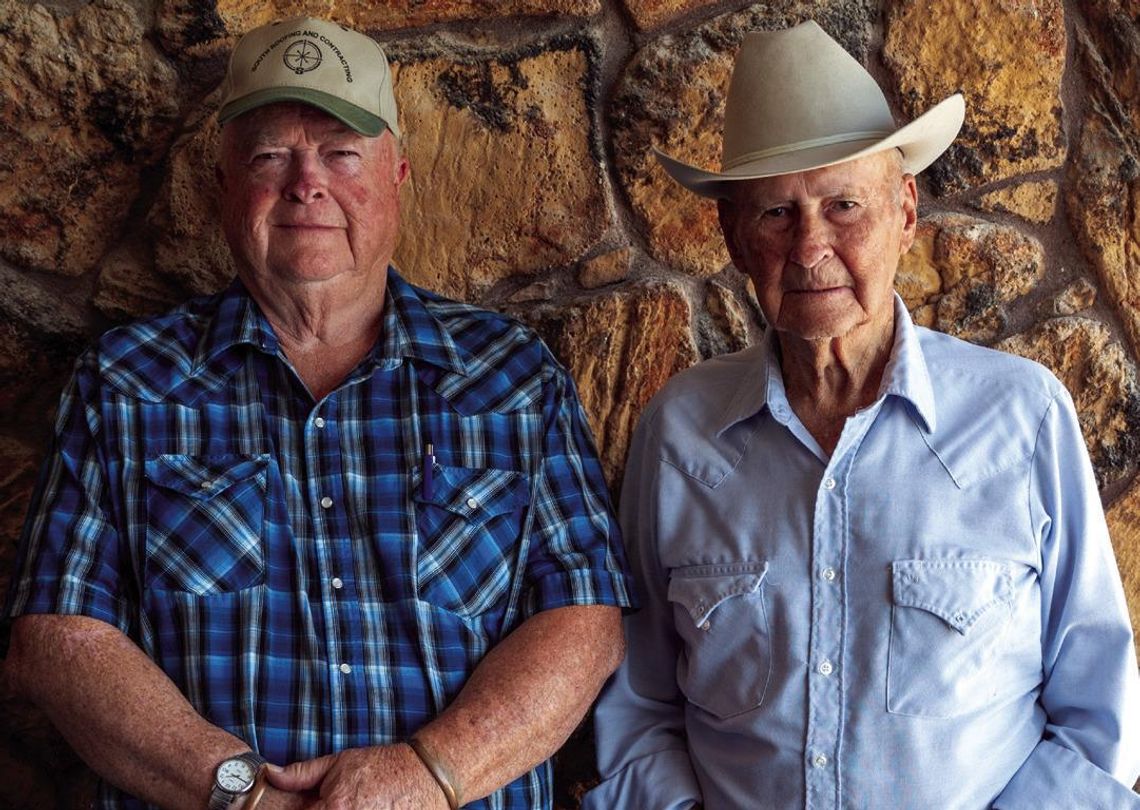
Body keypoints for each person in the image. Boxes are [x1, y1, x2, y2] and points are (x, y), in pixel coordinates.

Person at [2, 16, 633, 810]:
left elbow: (585, 618)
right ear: (224, 181)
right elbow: (58, 637)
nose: (307, 183)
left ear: (398, 173)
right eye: (271, 155)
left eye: (341, 153)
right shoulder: (126, 382)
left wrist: (428, 775)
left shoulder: (510, 378)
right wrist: (240, 792)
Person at [584, 19, 1140, 810]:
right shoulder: (679, 432)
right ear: (734, 239)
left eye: (844, 205)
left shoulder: (1022, 415)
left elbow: (1098, 719)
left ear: (905, 213)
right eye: (776, 214)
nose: (810, 249)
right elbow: (637, 706)